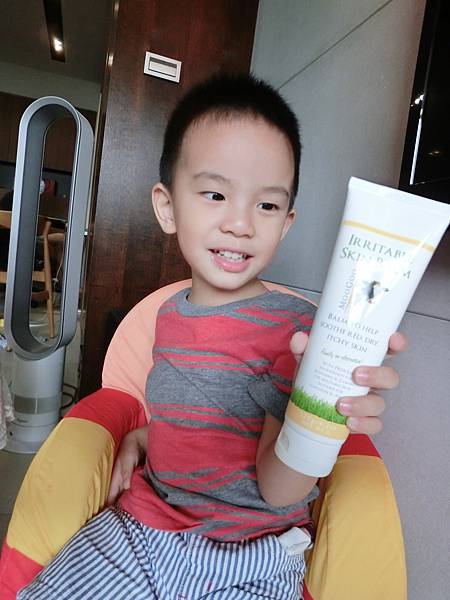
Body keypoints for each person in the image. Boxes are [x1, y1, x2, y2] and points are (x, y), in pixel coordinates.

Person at [18, 74, 406, 599]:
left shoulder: (295, 333)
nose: (241, 224)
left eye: (266, 205)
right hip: (140, 530)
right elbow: (201, 420)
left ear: (286, 222)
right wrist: (143, 438)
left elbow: (279, 490)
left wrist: (317, 411)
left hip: (253, 556)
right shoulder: (167, 313)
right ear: (167, 207)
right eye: (216, 194)